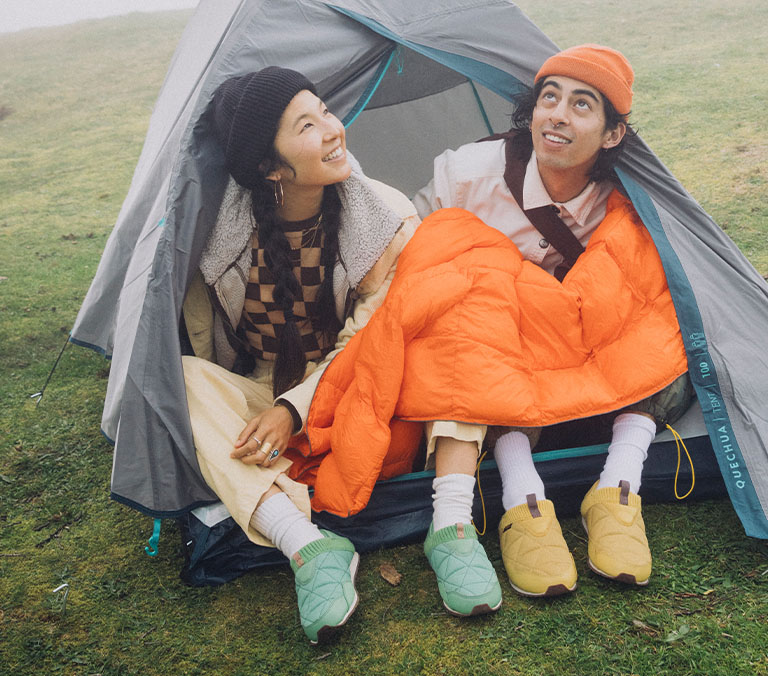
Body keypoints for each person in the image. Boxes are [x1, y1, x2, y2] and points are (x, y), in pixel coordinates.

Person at [413, 45, 693, 598]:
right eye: (549, 99)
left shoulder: (626, 194)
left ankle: (618, 487)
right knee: (469, 322)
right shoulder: (465, 175)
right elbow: (415, 257)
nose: (558, 115)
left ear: (612, 135)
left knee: (656, 322)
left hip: (577, 338)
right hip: (492, 342)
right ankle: (523, 498)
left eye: (581, 105)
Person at [180, 66, 423, 643]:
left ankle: (276, 506)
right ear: (270, 167)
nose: (335, 130)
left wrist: (293, 408)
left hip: (347, 386)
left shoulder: (386, 220)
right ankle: (308, 543)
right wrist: (261, 400)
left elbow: (368, 341)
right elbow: (193, 328)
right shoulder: (213, 225)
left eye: (325, 111)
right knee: (185, 378)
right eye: (307, 126)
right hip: (260, 382)